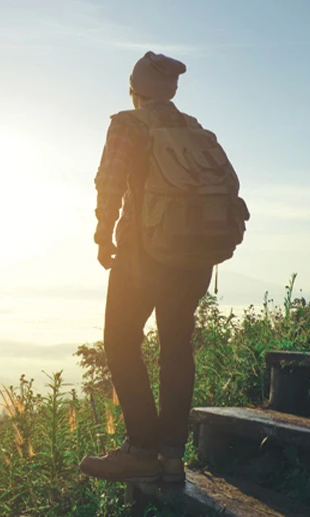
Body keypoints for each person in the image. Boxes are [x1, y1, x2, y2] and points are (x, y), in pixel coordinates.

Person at [79, 51, 247, 484]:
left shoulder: (129, 124)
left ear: (135, 92)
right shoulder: (193, 128)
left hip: (143, 253)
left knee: (119, 341)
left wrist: (102, 236)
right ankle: (172, 455)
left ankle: (140, 448)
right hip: (196, 254)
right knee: (176, 346)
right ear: (171, 92)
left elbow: (111, 181)